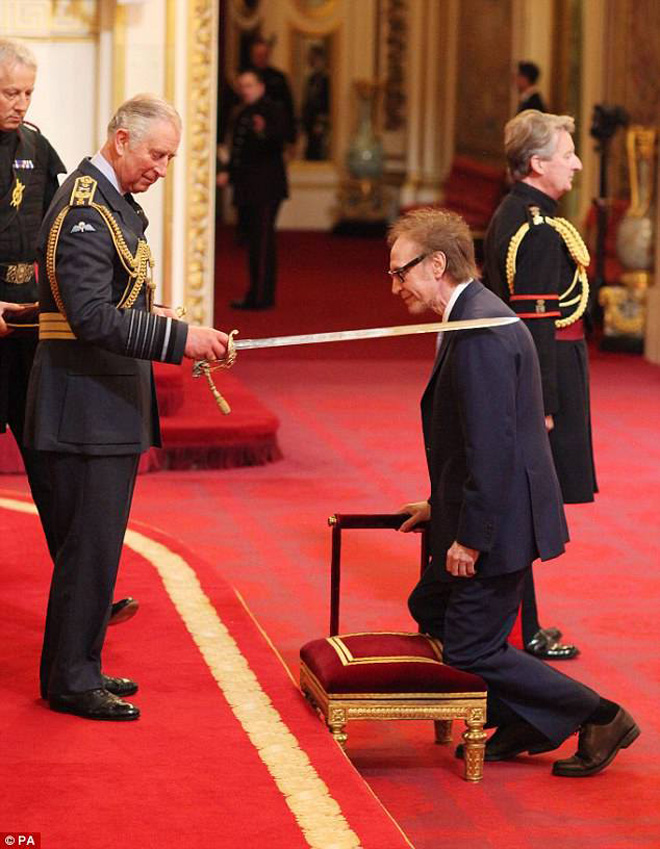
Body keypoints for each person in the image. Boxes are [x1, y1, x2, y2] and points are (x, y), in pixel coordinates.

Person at [390, 207, 638, 776]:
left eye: (400, 271)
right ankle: (528, 717)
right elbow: (475, 439)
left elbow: (493, 445)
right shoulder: (470, 315)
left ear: (436, 264)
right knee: (430, 604)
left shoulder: (480, 329)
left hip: (499, 522)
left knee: (471, 648)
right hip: (490, 507)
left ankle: (601, 716)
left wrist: (471, 538)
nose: (396, 284)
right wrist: (439, 506)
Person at [24, 94, 229, 721]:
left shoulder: (110, 203)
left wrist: (157, 318)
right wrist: (177, 339)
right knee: (88, 551)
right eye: (156, 155)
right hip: (84, 404)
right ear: (121, 140)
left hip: (100, 400)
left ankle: (79, 666)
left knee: (96, 550)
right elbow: (89, 317)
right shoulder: (86, 211)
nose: (162, 169)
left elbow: (109, 300)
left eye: (170, 158)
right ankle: (71, 680)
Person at [0, 38, 136, 626]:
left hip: (28, 332)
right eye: (9, 92)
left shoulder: (36, 147)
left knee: (51, 469)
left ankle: (86, 598)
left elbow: (59, 232)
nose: (20, 103)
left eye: (27, 93)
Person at [483, 110, 597, 660]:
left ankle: (523, 622)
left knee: (522, 505)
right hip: (543, 379)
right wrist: (543, 403)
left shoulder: (521, 214)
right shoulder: (539, 230)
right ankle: (518, 630)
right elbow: (535, 326)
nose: (577, 164)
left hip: (540, 374)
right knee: (524, 508)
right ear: (537, 163)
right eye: (567, 154)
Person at [219, 70, 288, 311]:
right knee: (251, 242)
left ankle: (261, 296)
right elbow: (237, 149)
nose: (245, 90)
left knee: (263, 242)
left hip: (267, 188)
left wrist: (263, 131)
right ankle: (255, 293)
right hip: (247, 187)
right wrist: (228, 172)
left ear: (260, 87)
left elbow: (282, 138)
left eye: (249, 85)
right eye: (242, 86)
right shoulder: (241, 112)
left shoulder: (273, 110)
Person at [247, 37, 297, 145]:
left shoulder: (278, 78)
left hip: (273, 133)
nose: (261, 58)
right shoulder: (245, 77)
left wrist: (292, 139)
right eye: (258, 55)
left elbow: (288, 107)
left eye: (264, 55)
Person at [301, 44, 330, 161]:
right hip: (309, 121)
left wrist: (321, 122)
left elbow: (326, 103)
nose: (312, 62)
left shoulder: (327, 79)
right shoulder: (311, 79)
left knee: (317, 151)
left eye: (314, 58)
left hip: (319, 122)